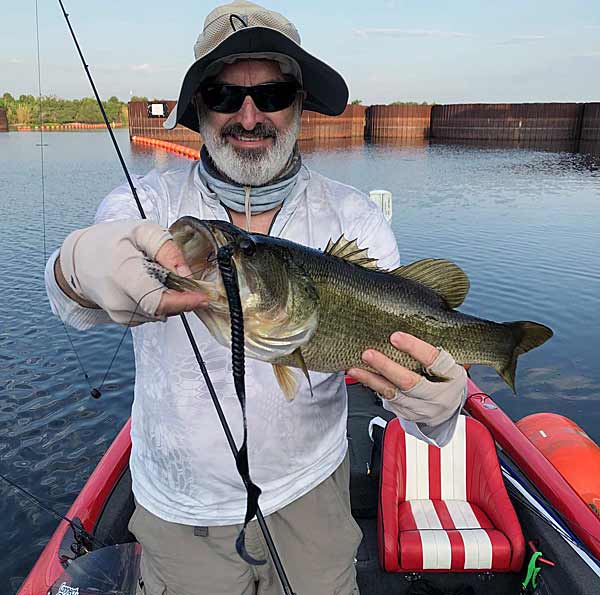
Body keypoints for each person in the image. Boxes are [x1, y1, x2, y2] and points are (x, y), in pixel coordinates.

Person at [45, 2, 467, 593]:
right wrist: (72, 266)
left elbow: (401, 380)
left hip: (312, 497)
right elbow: (72, 303)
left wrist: (437, 409)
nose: (249, 116)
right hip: (180, 509)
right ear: (198, 108)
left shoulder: (355, 219)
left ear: (299, 105)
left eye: (271, 95)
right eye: (223, 94)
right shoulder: (144, 206)